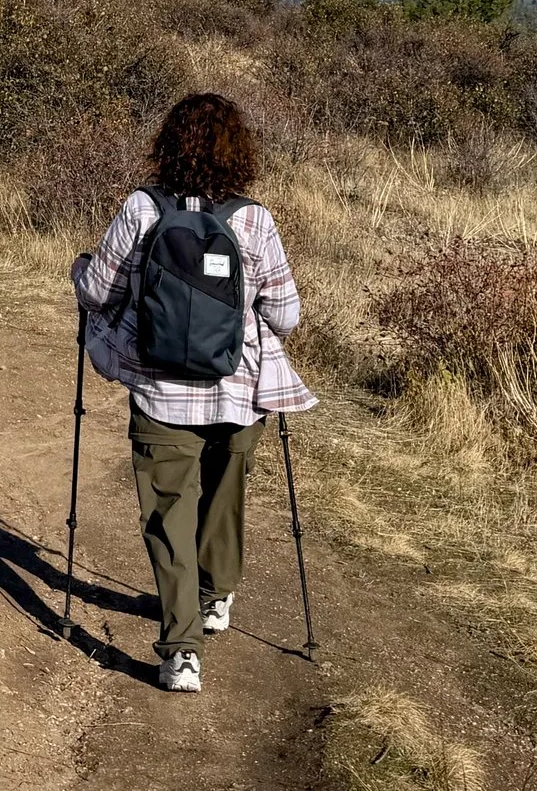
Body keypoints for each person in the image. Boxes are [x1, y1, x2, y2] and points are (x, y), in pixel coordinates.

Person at [70, 92, 313, 695]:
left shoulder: (140, 208)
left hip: (159, 390)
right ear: (238, 152)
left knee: (167, 512)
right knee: (224, 497)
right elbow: (285, 316)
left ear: (168, 145)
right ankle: (216, 595)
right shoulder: (254, 219)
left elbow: (100, 293)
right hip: (239, 392)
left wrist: (79, 271)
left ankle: (181, 651)